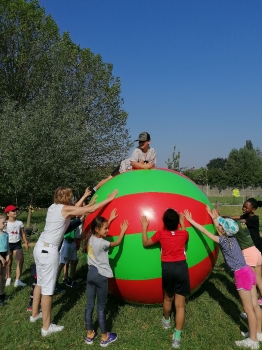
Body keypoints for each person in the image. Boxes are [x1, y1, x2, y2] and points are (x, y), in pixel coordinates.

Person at [30, 186, 118, 337]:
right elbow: (90, 210)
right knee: (48, 290)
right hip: (49, 251)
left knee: (39, 283)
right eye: (70, 196)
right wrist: (110, 198)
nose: (72, 199)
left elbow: (73, 209)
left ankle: (34, 314)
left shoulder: (54, 207)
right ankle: (46, 327)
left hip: (39, 248)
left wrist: (84, 198)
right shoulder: (64, 209)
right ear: (65, 198)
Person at [184, 207, 261, 349]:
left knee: (248, 309)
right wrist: (214, 217)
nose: (217, 226)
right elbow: (221, 227)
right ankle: (257, 333)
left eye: (219, 225)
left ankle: (253, 341)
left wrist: (190, 220)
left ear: (222, 231)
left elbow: (204, 231)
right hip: (248, 271)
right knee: (255, 306)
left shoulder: (223, 241)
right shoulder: (232, 237)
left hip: (241, 275)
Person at [140, 209, 190, 349]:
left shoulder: (161, 234)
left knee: (168, 298)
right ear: (177, 223)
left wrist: (144, 226)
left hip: (168, 268)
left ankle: (166, 321)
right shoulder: (184, 233)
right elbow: (185, 236)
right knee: (180, 305)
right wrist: (183, 223)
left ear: (164, 223)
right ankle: (177, 337)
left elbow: (145, 242)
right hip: (181, 268)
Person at [84, 212, 128, 347]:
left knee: (89, 306)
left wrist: (111, 219)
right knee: (101, 308)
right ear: (98, 229)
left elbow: (99, 228)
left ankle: (90, 334)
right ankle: (105, 337)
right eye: (106, 228)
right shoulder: (103, 243)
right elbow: (118, 242)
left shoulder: (90, 237)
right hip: (101, 275)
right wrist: (123, 231)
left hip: (90, 274)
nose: (108, 230)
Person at [91, 132, 156, 194]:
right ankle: (94, 189)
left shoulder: (152, 151)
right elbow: (133, 163)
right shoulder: (137, 150)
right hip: (124, 166)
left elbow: (151, 164)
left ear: (148, 141)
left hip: (133, 171)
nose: (141, 143)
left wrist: (143, 164)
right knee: (110, 178)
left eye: (143, 141)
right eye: (140, 141)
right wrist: (143, 166)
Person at [4, 205, 29, 287]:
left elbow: (23, 233)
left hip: (17, 244)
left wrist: (26, 243)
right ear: (7, 214)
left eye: (16, 210)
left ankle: (17, 280)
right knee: (8, 262)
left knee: (20, 260)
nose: (15, 212)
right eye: (13, 211)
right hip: (7, 244)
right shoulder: (5, 223)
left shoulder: (19, 223)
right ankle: (8, 278)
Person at [0, 214, 10, 306]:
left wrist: (7, 255)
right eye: (3, 222)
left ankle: (2, 294)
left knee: (3, 278)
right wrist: (1, 258)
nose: (5, 224)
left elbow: (8, 246)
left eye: (5, 222)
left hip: (4, 256)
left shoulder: (6, 234)